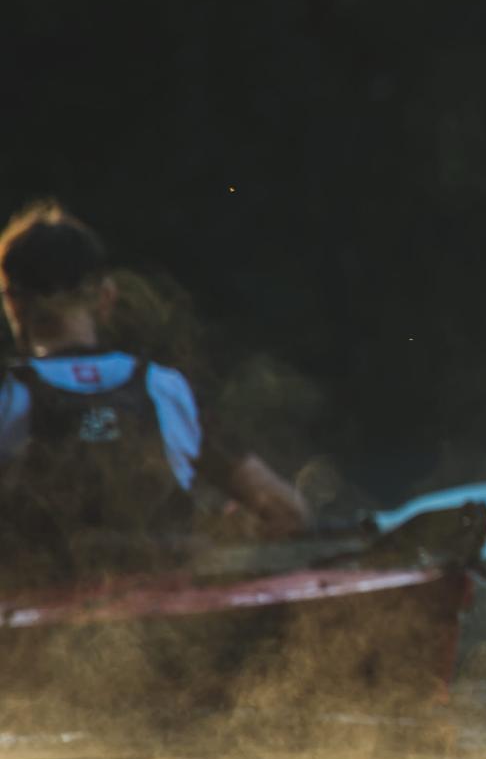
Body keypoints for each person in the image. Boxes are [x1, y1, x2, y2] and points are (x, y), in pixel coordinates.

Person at [0, 202, 311, 580]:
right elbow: (286, 512)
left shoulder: (8, 394)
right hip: (172, 611)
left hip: (38, 615)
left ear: (13, 303)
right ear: (106, 297)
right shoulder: (166, 387)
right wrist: (235, 530)